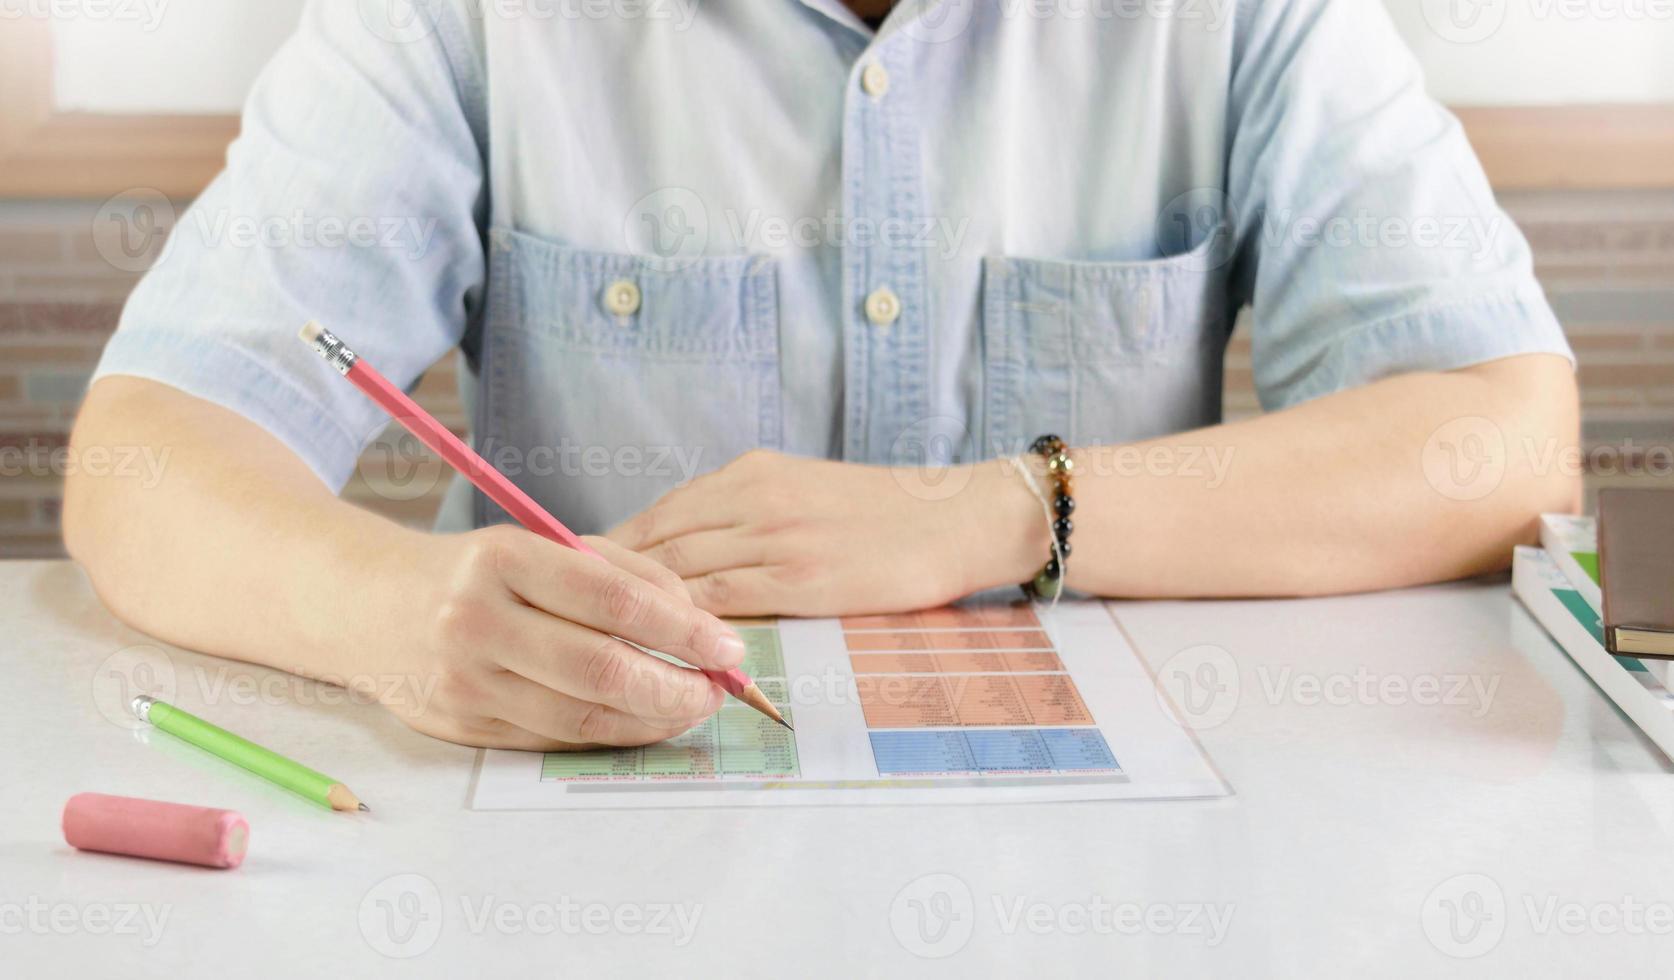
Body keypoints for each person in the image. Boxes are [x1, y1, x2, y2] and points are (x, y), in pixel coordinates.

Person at [64, 0, 1579, 750]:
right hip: (583, 855)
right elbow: (151, 454)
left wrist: (1006, 510)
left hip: (1107, 880)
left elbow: (1503, 437)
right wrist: (394, 617)